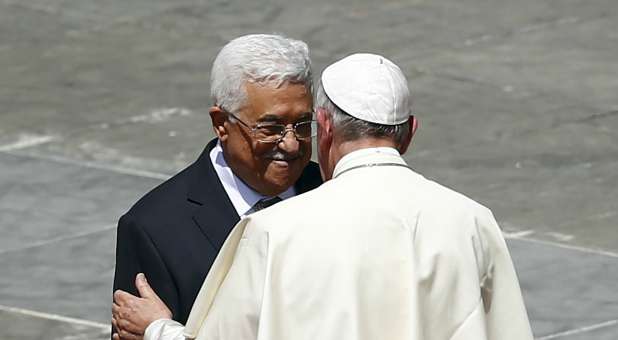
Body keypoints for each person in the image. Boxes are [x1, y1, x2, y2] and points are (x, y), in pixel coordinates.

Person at [113, 53, 533, 340]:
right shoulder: (472, 220)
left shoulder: (274, 230)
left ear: (325, 128)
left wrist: (157, 330)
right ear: (410, 132)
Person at [111, 33, 322, 338]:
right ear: (222, 123)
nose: (290, 144)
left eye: (302, 125)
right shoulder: (155, 229)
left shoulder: (334, 192)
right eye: (270, 127)